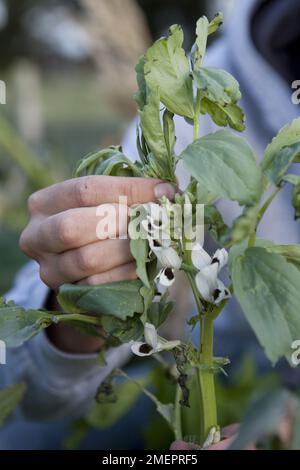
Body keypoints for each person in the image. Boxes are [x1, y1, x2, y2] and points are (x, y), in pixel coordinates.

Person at [1, 0, 299, 449]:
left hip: (268, 397)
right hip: (224, 380)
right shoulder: (195, 110)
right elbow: (23, 381)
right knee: (24, 437)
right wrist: (78, 299)